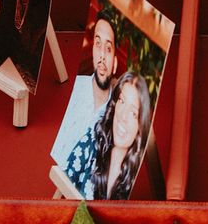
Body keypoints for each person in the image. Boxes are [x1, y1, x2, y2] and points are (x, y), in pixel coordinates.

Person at [65, 71, 151, 200]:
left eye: (133, 113)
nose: (123, 116)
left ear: (140, 127)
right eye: (121, 101)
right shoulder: (91, 141)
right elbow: (62, 182)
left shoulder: (139, 180)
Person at [51, 11, 119, 167]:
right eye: (98, 44)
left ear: (114, 61)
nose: (101, 55)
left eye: (108, 48)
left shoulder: (118, 117)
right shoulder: (77, 88)